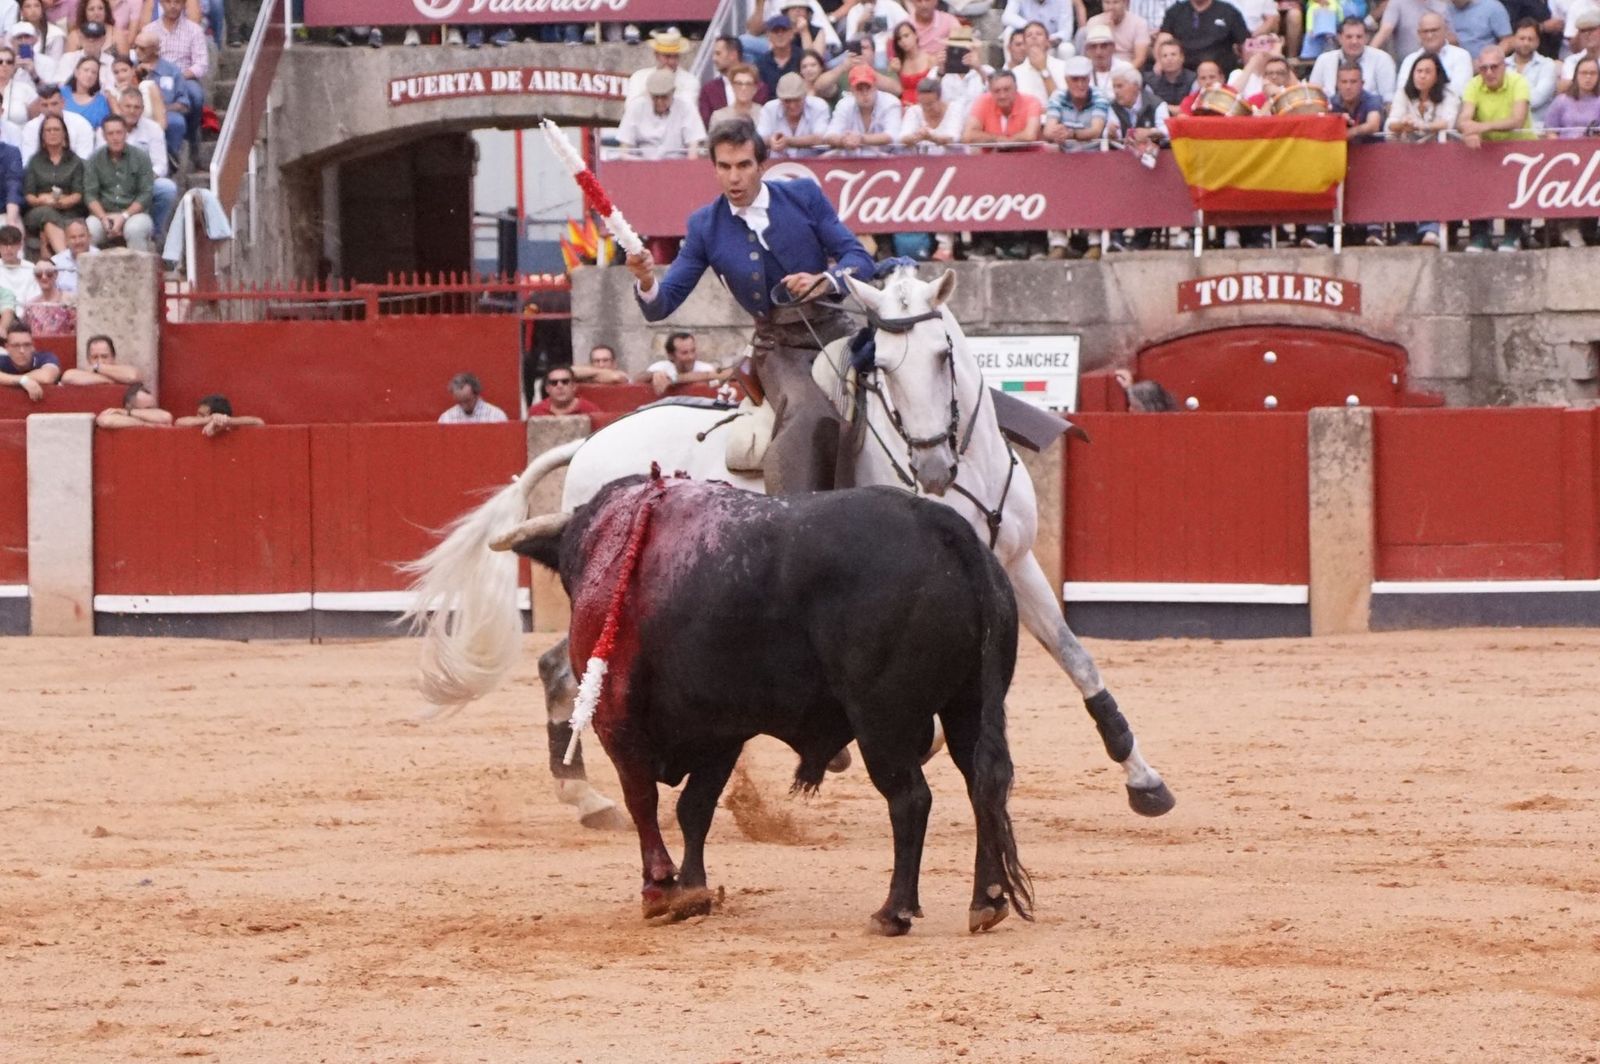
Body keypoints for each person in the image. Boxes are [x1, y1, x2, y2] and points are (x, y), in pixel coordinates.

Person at [625, 122, 875, 495]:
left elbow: (859, 258)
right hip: (779, 349)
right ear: (714, 169)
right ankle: (794, 516)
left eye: (743, 165)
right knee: (811, 416)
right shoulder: (705, 226)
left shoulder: (803, 195)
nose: (733, 178)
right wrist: (646, 280)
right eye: (724, 167)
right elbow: (663, 303)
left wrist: (824, 280)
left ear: (761, 165)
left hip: (837, 330)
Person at [1459, 44, 1534, 252]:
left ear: (1504, 66)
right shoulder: (1473, 85)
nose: (1489, 72)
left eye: (1494, 67)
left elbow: (1517, 119)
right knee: (1477, 185)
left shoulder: (1519, 82)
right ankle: (1480, 235)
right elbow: (1464, 118)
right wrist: (1470, 130)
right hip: (1488, 149)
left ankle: (1513, 235)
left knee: (1516, 192)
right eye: (1484, 68)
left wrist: (1481, 127)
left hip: (1520, 148)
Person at [1545, 56, 1600, 245]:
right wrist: (1560, 150)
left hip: (1593, 160)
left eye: (1593, 73)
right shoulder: (1562, 101)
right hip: (1565, 159)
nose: (1588, 78)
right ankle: (1566, 228)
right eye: (1584, 73)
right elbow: (1550, 130)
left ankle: (1588, 229)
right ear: (1576, 75)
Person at [143, 0, 206, 162]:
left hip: (185, 77)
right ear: (161, 4)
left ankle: (192, 136)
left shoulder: (194, 30)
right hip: (156, 77)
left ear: (184, 4)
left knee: (196, 95)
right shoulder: (150, 30)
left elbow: (201, 64)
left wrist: (179, 76)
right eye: (168, 2)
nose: (173, 6)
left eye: (177, 2)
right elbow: (143, 58)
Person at [108, 88, 175, 241]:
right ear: (120, 106)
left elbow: (161, 166)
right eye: (128, 106)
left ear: (143, 109)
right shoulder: (108, 127)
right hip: (113, 183)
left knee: (167, 188)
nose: (132, 111)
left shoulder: (153, 128)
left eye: (136, 107)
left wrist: (142, 179)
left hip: (144, 181)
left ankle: (154, 232)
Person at [84, 114, 154, 250]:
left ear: (126, 134)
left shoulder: (141, 157)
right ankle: (91, 271)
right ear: (104, 136)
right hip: (103, 214)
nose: (115, 137)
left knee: (135, 230)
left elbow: (146, 194)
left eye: (119, 133)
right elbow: (90, 194)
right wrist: (103, 218)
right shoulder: (94, 159)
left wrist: (124, 216)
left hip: (134, 214)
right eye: (110, 133)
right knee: (88, 230)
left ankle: (139, 270)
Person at [617, 69, 708, 160]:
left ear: (673, 92)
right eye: (655, 97)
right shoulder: (636, 107)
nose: (659, 102)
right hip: (641, 165)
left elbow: (693, 152)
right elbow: (624, 151)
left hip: (677, 167)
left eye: (664, 97)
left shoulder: (687, 108)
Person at [1309, 17, 1398, 102]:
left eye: (1359, 37)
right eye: (1349, 37)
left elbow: (1388, 99)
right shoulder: (1323, 60)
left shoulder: (1382, 59)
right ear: (1339, 38)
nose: (1354, 41)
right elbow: (1312, 96)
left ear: (1366, 38)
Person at [133, 29, 186, 168]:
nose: (137, 51)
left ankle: (170, 158)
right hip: (134, 111)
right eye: (135, 47)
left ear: (155, 50)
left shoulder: (172, 71)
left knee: (176, 121)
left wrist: (161, 109)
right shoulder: (129, 67)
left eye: (142, 48)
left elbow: (183, 103)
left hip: (165, 112)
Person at [1161, 0, 1251, 74]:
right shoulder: (1175, 11)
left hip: (1221, 75)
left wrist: (1248, 71)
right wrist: (1158, 63)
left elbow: (1245, 44)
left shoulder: (1228, 11)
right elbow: (1163, 39)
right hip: (1184, 77)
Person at [826, 64, 903, 149]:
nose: (865, 93)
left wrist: (861, 138)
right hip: (852, 157)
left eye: (868, 87)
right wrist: (843, 140)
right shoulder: (844, 104)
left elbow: (892, 135)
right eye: (859, 89)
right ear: (851, 90)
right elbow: (830, 135)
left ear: (875, 86)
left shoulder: (891, 103)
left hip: (887, 157)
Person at [756, 71, 832, 155]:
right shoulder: (769, 108)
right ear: (780, 99)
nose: (792, 105)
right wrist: (770, 140)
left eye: (796, 99)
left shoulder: (819, 106)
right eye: (787, 100)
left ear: (804, 96)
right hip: (777, 165)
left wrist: (789, 141)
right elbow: (759, 139)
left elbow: (821, 138)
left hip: (812, 164)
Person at [699, 36, 769, 126]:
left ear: (733, 55)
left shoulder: (760, 88)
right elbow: (706, 124)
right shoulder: (708, 90)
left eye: (718, 53)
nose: (714, 59)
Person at [1397, 13, 1474, 92]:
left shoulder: (1461, 56)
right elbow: (1402, 91)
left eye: (1434, 30)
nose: (1429, 35)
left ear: (1445, 30)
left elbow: (1459, 91)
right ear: (1419, 34)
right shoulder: (1410, 60)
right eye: (1425, 31)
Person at [637, 331, 729, 396]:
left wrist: (674, 379)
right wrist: (653, 375)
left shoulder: (705, 368)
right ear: (671, 355)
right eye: (684, 353)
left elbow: (726, 375)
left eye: (693, 351)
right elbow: (636, 379)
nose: (691, 357)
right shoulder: (662, 366)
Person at [23, 85, 96, 165]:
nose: (50, 109)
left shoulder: (81, 124)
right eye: (45, 105)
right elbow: (28, 161)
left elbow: (84, 160)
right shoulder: (31, 127)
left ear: (63, 103)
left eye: (54, 104)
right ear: (39, 107)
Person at [625, 27, 699, 104]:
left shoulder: (690, 81)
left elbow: (687, 109)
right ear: (656, 55)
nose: (672, 61)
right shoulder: (638, 77)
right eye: (667, 56)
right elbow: (631, 108)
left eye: (675, 56)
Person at [1507, 18, 1558, 125]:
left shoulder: (1547, 65)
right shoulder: (1502, 65)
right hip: (1505, 129)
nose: (1526, 43)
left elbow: (1536, 99)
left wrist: (1505, 102)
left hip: (1538, 129)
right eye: (1522, 38)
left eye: (1531, 39)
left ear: (1538, 42)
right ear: (1513, 39)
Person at [1011, 20, 1069, 106]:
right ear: (1025, 44)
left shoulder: (1063, 67)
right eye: (1029, 35)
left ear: (1047, 42)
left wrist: (1043, 69)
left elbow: (1063, 104)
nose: (1034, 37)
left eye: (1039, 34)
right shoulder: (1015, 73)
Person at [0, 321, 59, 401]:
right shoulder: (2, 360)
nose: (22, 351)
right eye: (15, 345)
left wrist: (19, 380)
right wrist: (22, 381)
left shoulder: (45, 357)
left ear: (33, 346)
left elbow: (47, 376)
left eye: (26, 345)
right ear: (7, 347)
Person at [1084, 0, 1153, 69]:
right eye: (1107, 3)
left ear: (1125, 3)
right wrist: (1107, 31)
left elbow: (1140, 59)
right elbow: (1090, 54)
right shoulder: (1093, 22)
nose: (1111, 7)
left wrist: (1122, 73)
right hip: (1100, 68)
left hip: (1128, 67)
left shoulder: (1139, 23)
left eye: (1115, 2)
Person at [1372, 0, 1450, 59]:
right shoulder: (1397, 3)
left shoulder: (1441, 5)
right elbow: (1385, 30)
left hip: (1439, 61)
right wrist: (1369, 54)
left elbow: (1451, 37)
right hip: (1407, 63)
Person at [62, 334, 140, 386]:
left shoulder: (123, 370)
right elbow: (67, 377)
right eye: (95, 357)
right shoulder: (83, 373)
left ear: (113, 357)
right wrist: (113, 379)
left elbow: (133, 376)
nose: (100, 362)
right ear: (88, 359)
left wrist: (97, 367)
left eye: (104, 356)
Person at [888, 20, 936, 103]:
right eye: (899, 39)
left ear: (915, 35)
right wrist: (894, 72)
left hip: (925, 105)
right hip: (904, 105)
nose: (903, 41)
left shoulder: (930, 59)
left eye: (906, 36)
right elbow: (894, 88)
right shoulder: (898, 63)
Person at [756, 15, 803, 97]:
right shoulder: (761, 63)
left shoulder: (803, 58)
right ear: (768, 35)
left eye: (784, 30)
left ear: (791, 34)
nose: (780, 35)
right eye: (775, 31)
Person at [1449, 0, 1513, 60]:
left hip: (1486, 66)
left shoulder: (1492, 7)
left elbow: (1508, 41)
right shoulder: (1448, 10)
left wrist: (1489, 59)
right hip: (1455, 63)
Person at [175, 393, 264, 436]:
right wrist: (210, 419)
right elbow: (179, 422)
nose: (197, 418)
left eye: (201, 415)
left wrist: (226, 420)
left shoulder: (230, 426)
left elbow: (258, 422)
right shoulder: (196, 424)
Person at [437, 371, 507, 424]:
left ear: (476, 394)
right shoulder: (446, 418)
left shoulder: (496, 416)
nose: (464, 406)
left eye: (467, 401)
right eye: (460, 402)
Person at [709, 63, 765, 128]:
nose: (743, 88)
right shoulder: (719, 117)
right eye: (739, 83)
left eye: (748, 84)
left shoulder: (764, 114)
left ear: (755, 88)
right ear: (732, 87)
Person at [528, 367, 601, 416]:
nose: (560, 386)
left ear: (574, 386)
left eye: (565, 382)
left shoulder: (591, 410)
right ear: (547, 389)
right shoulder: (536, 411)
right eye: (554, 383)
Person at [96, 382, 173, 428]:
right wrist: (144, 424)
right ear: (129, 407)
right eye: (147, 409)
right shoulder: (122, 418)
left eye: (153, 408)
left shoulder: (125, 413)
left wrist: (127, 412)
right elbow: (106, 421)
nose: (152, 412)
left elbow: (166, 417)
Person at [1146, 36, 1197, 105]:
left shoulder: (1193, 80)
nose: (1169, 59)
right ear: (1159, 60)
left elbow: (1194, 106)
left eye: (1173, 54)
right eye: (1165, 55)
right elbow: (1151, 107)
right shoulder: (1150, 82)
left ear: (1182, 58)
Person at [1001, 0, 1081, 42]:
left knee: (1066, 49)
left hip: (1051, 40)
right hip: (1026, 38)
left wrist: (1048, 39)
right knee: (1009, 31)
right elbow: (1007, 16)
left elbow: (1066, 32)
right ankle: (1010, 69)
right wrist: (1030, 27)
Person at [51, 217, 94, 292]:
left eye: (81, 236)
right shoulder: (56, 262)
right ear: (66, 241)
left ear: (89, 237)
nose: (78, 241)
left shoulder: (101, 259)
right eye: (73, 237)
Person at [0, 224, 37, 302]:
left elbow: (34, 296)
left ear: (20, 245)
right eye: (5, 244)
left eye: (13, 244)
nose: (9, 249)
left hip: (26, 311)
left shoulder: (30, 268)